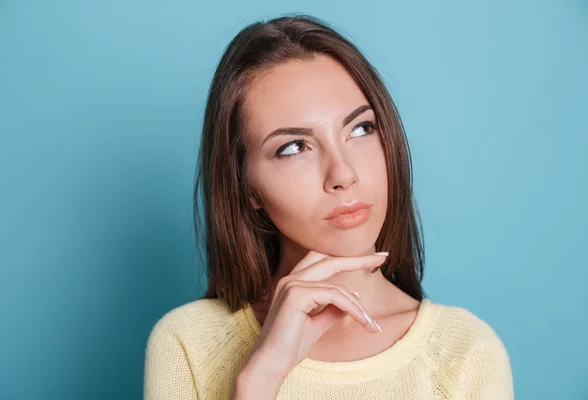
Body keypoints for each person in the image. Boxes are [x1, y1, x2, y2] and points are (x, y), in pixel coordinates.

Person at [144, 13, 514, 400]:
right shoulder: (186, 344)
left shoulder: (466, 353)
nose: (343, 173)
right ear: (246, 186)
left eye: (360, 129)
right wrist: (260, 378)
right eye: (293, 148)